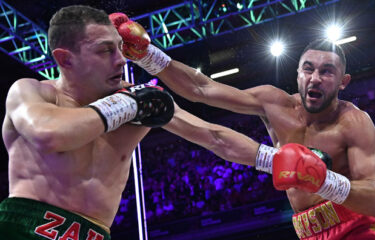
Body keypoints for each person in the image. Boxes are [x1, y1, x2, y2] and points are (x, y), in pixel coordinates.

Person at [115, 13, 375, 239]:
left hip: (361, 229)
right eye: (308, 68)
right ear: (297, 73)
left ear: (343, 82)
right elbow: (201, 88)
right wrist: (147, 56)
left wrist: (324, 180)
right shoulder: (274, 103)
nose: (315, 78)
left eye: (327, 71)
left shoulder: (354, 123)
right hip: (309, 232)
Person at [0, 5, 269, 240]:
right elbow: (49, 133)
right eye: (105, 51)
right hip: (25, 229)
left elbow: (213, 136)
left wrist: (275, 160)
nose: (120, 60)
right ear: (65, 59)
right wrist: (127, 105)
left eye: (119, 47)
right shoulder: (32, 92)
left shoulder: (137, 99)